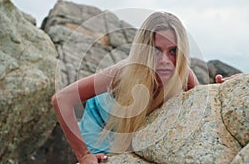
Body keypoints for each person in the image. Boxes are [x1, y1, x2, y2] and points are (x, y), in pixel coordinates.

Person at [51, 11, 226, 164]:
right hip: (101, 124)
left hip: (137, 127)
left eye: (173, 51)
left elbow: (202, 105)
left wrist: (225, 89)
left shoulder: (182, 73)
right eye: (156, 50)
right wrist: (84, 155)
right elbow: (62, 99)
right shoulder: (121, 73)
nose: (165, 60)